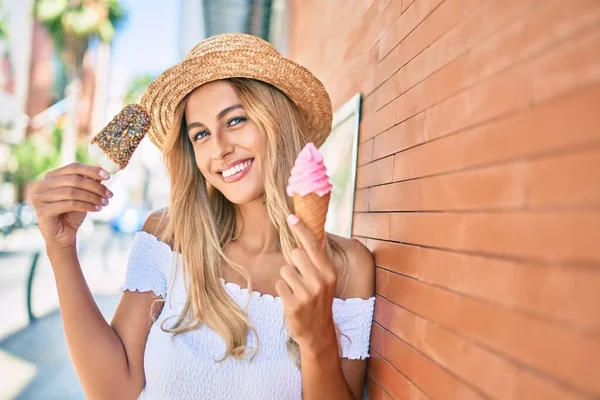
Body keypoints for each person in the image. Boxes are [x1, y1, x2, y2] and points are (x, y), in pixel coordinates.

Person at [31, 33, 375, 399]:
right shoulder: (169, 237)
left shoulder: (346, 267)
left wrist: (318, 339)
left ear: (277, 120)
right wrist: (60, 247)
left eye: (236, 120)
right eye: (200, 135)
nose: (220, 149)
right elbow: (113, 391)